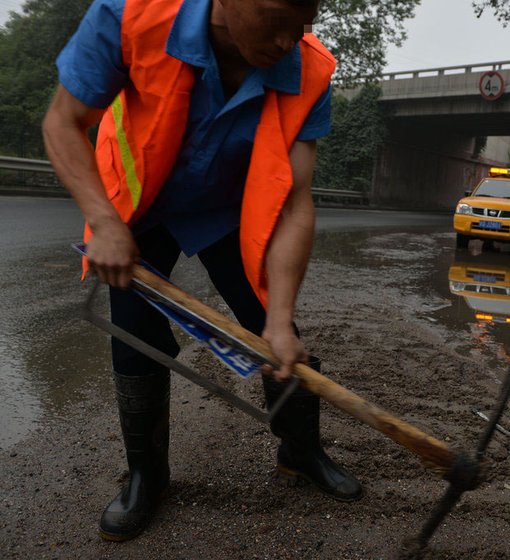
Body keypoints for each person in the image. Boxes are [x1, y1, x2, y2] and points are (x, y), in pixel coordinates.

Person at [41, 0, 362, 542]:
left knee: (277, 333)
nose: (289, 39)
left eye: (304, 19)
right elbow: (62, 122)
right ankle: (149, 475)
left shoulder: (308, 71)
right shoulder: (129, 18)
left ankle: (300, 450)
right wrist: (103, 219)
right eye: (276, 16)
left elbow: (294, 202)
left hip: (227, 208)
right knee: (136, 338)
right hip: (139, 205)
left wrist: (279, 319)